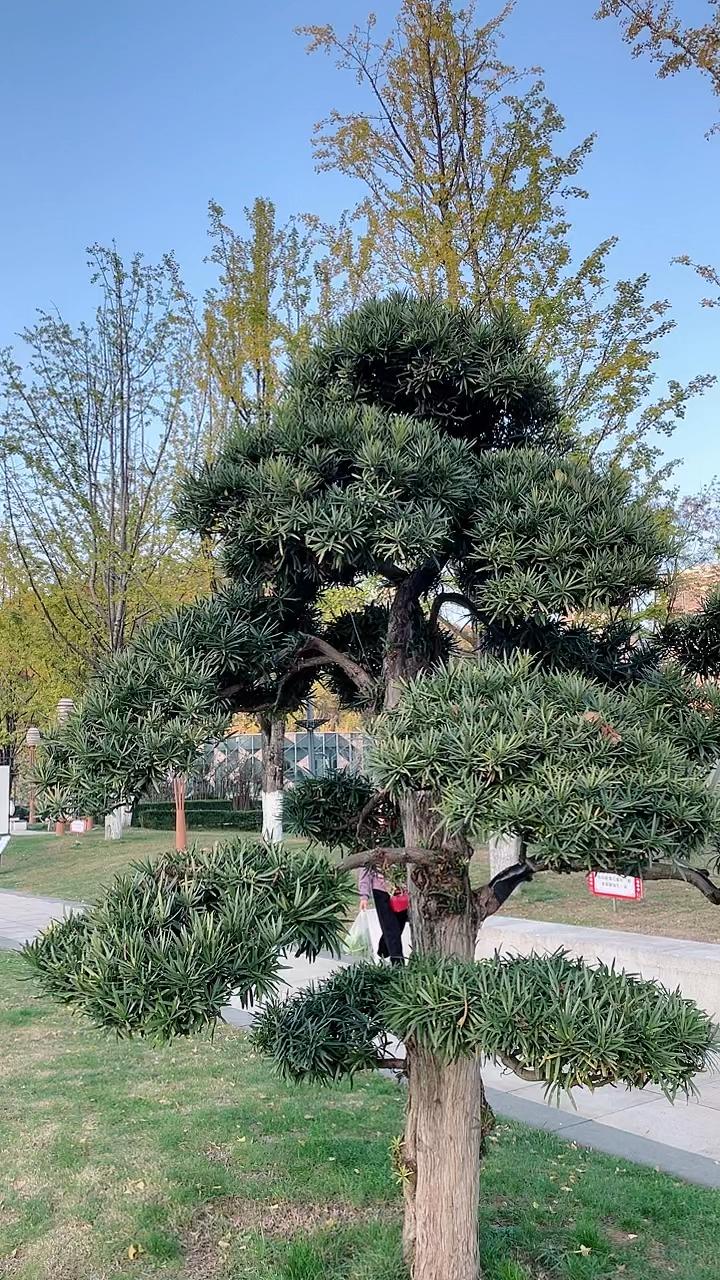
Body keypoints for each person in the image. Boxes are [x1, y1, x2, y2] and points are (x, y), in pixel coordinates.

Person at [358, 865, 408, 965]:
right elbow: (366, 868)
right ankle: (398, 965)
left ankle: (383, 954)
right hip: (382, 890)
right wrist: (364, 895)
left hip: (401, 890)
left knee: (399, 926)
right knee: (391, 929)